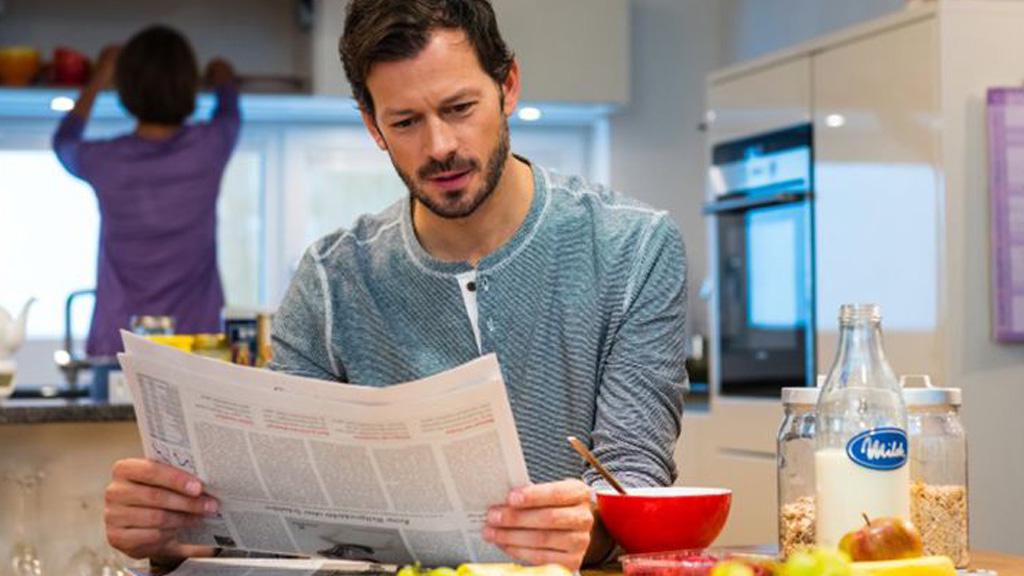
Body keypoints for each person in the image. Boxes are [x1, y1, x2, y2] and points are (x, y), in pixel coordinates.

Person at [103, 1, 688, 571]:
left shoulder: (634, 249)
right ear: (372, 126)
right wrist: (182, 535)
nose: (439, 148)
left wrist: (586, 531)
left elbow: (632, 476)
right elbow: (284, 514)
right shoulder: (332, 278)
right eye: (405, 122)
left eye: (460, 108)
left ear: (507, 87)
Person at [53, 25, 241, 357]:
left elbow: (64, 141)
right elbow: (230, 113)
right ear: (189, 87)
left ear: (125, 90)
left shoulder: (106, 161)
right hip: (197, 349)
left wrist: (98, 78)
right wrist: (224, 77)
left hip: (119, 347)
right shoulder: (210, 147)